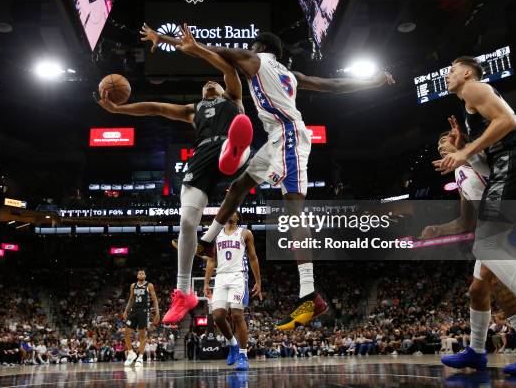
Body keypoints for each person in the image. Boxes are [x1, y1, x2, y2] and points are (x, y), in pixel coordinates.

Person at [144, 23, 394, 330]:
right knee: (237, 188)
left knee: (294, 214)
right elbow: (334, 86)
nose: (247, 51)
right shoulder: (292, 76)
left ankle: (310, 295)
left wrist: (174, 42)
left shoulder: (257, 61)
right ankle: (208, 242)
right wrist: (374, 81)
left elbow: (220, 52)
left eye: (251, 47)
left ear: (260, 47)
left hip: (288, 136)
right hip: (275, 138)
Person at [99, 28, 253, 324]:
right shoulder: (192, 110)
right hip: (202, 158)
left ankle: (235, 150)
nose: (210, 84)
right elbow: (155, 108)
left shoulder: (233, 97)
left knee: (233, 148)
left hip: (229, 146)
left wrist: (186, 46)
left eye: (213, 83)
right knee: (185, 221)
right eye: (205, 85)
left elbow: (227, 67)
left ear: (222, 89)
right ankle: (183, 293)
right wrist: (119, 109)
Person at [433, 56, 516, 374]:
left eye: (452, 69)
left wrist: (466, 151)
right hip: (502, 178)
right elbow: (465, 221)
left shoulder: (474, 88)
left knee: (491, 249)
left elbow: (509, 122)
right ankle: (476, 351)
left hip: (512, 166)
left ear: (467, 73)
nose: (448, 75)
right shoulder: (471, 115)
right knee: (478, 289)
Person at [203, 211, 262, 370]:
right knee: (218, 316)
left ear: (238, 217)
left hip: (238, 276)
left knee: (237, 314)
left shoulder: (245, 233)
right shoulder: (216, 234)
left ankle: (243, 354)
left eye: (234, 212)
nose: (230, 213)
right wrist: (206, 283)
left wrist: (258, 281)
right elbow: (211, 260)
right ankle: (233, 344)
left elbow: (253, 257)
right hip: (221, 276)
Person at [122, 270, 160, 367]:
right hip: (133, 311)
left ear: (145, 275)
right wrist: (126, 310)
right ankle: (131, 353)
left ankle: (140, 358)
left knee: (142, 335)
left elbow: (155, 300)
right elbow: (131, 299)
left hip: (143, 312)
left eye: (143, 273)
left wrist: (157, 313)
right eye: (139, 273)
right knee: (126, 331)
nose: (141, 274)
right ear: (137, 276)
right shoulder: (133, 286)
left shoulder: (149, 285)